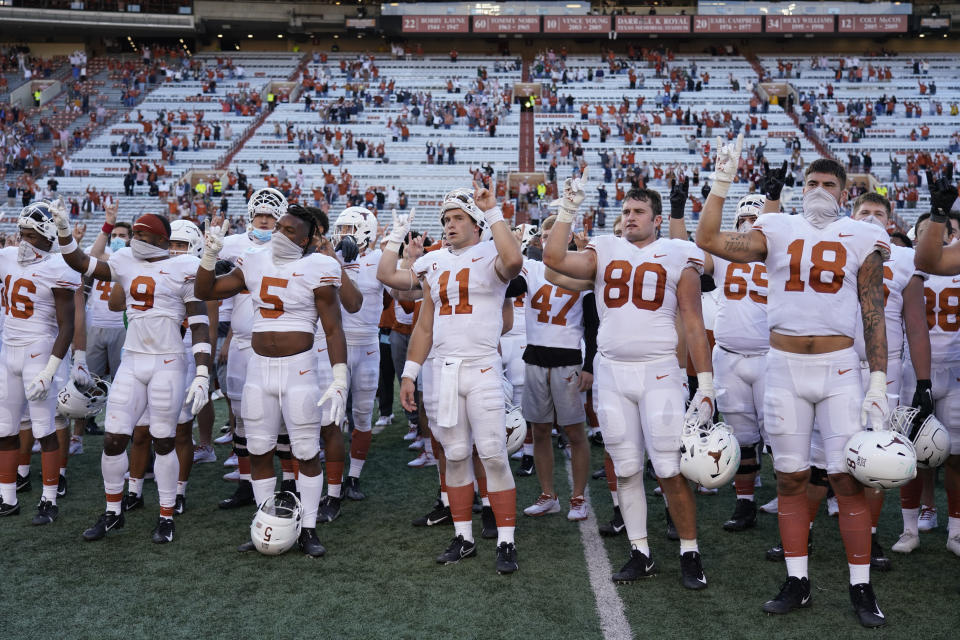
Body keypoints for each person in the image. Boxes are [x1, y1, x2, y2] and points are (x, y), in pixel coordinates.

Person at [695, 135, 891, 628]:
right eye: (812, 182)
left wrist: (879, 380)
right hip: (782, 367)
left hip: (840, 369)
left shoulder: (863, 235)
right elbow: (710, 241)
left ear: (844, 193)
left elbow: (873, 313)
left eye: (829, 184)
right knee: (790, 477)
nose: (820, 190)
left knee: (847, 478)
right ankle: (797, 579)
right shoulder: (776, 226)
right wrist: (721, 183)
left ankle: (861, 586)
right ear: (801, 188)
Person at [543, 170, 716, 590]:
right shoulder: (604, 248)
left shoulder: (677, 252)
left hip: (659, 371)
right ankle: (640, 551)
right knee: (625, 469)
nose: (631, 217)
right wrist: (568, 208)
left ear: (656, 218)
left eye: (639, 211)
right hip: (612, 372)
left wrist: (705, 385)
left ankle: (690, 552)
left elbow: (693, 322)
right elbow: (553, 260)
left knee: (669, 469)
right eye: (626, 211)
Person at [194, 204, 349, 557]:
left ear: (308, 239)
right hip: (259, 368)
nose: (280, 233)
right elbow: (207, 291)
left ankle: (308, 527)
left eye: (290, 230)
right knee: (259, 448)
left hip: (300, 369)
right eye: (279, 226)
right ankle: (263, 521)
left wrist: (339, 376)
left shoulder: (319, 267)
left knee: (307, 451)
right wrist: (209, 253)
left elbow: (334, 327)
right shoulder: (254, 260)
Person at [56, 210, 212, 545]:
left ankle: (166, 515)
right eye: (135, 234)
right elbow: (82, 264)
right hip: (132, 360)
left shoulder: (183, 266)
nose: (136, 240)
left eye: (144, 235)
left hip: (168, 361)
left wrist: (201, 371)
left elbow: (199, 322)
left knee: (163, 439)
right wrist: (66, 233)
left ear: (161, 241)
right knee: (114, 438)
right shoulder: (125, 259)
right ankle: (113, 512)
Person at [397, 182, 524, 573]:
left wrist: (494, 211)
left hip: (483, 367)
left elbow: (514, 262)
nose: (450, 225)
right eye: (446, 220)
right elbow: (423, 326)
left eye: (458, 219)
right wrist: (409, 373)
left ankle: (506, 541)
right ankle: (464, 536)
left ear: (475, 223)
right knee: (453, 454)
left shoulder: (492, 252)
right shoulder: (434, 262)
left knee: (492, 453)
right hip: (444, 370)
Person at [669, 177, 772, 533]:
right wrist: (679, 214)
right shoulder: (726, 255)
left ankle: (803, 501)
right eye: (743, 219)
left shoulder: (786, 254)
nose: (747, 225)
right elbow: (683, 252)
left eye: (754, 219)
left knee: (783, 436)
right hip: (729, 355)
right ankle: (745, 504)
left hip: (771, 356)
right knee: (742, 437)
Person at [0, 201, 83, 525]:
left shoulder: (59, 267)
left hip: (39, 353)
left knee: (44, 429)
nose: (24, 241)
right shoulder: (5, 257)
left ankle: (49, 499)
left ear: (48, 237)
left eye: (31, 235)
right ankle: (7, 495)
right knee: (6, 429)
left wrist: (51, 370)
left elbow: (68, 326)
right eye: (21, 234)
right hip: (8, 353)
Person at [512, 214, 597, 522]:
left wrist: (589, 365)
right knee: (540, 430)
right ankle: (549, 494)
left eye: (556, 236)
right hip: (535, 358)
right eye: (546, 236)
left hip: (568, 360)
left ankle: (578, 496)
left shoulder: (581, 272)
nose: (550, 241)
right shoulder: (532, 269)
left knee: (575, 431)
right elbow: (511, 288)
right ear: (540, 241)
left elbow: (592, 324)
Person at [330, 207, 383, 500]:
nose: (343, 235)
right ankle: (334, 482)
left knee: (362, 415)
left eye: (349, 228)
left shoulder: (378, 260)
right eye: (341, 228)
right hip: (333, 345)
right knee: (332, 415)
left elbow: (403, 295)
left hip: (367, 345)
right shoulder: (330, 258)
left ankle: (354, 476)